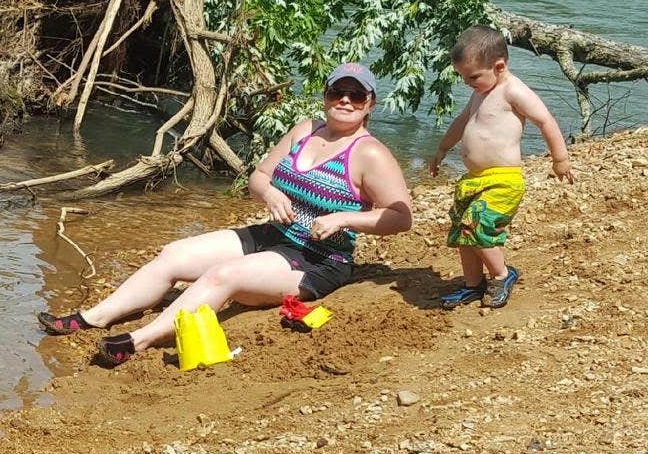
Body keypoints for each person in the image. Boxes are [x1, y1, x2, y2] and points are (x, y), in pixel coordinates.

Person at [39, 62, 413, 366]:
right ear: (325, 96)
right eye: (337, 92)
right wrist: (269, 193)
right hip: (273, 234)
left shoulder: (370, 154)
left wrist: (343, 219)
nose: (345, 101)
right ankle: (95, 316)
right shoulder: (304, 130)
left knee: (223, 275)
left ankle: (139, 340)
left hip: (317, 257)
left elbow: (401, 216)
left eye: (356, 95)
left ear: (370, 104)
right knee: (175, 253)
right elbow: (259, 176)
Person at [424, 25, 576, 309]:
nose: (467, 82)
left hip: (503, 181)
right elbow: (461, 121)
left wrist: (560, 159)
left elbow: (546, 121)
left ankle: (501, 275)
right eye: (463, 77)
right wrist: (442, 149)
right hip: (473, 179)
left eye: (472, 77)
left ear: (499, 66)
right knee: (462, 233)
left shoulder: (513, 91)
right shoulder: (481, 91)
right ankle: (472, 284)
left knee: (477, 227)